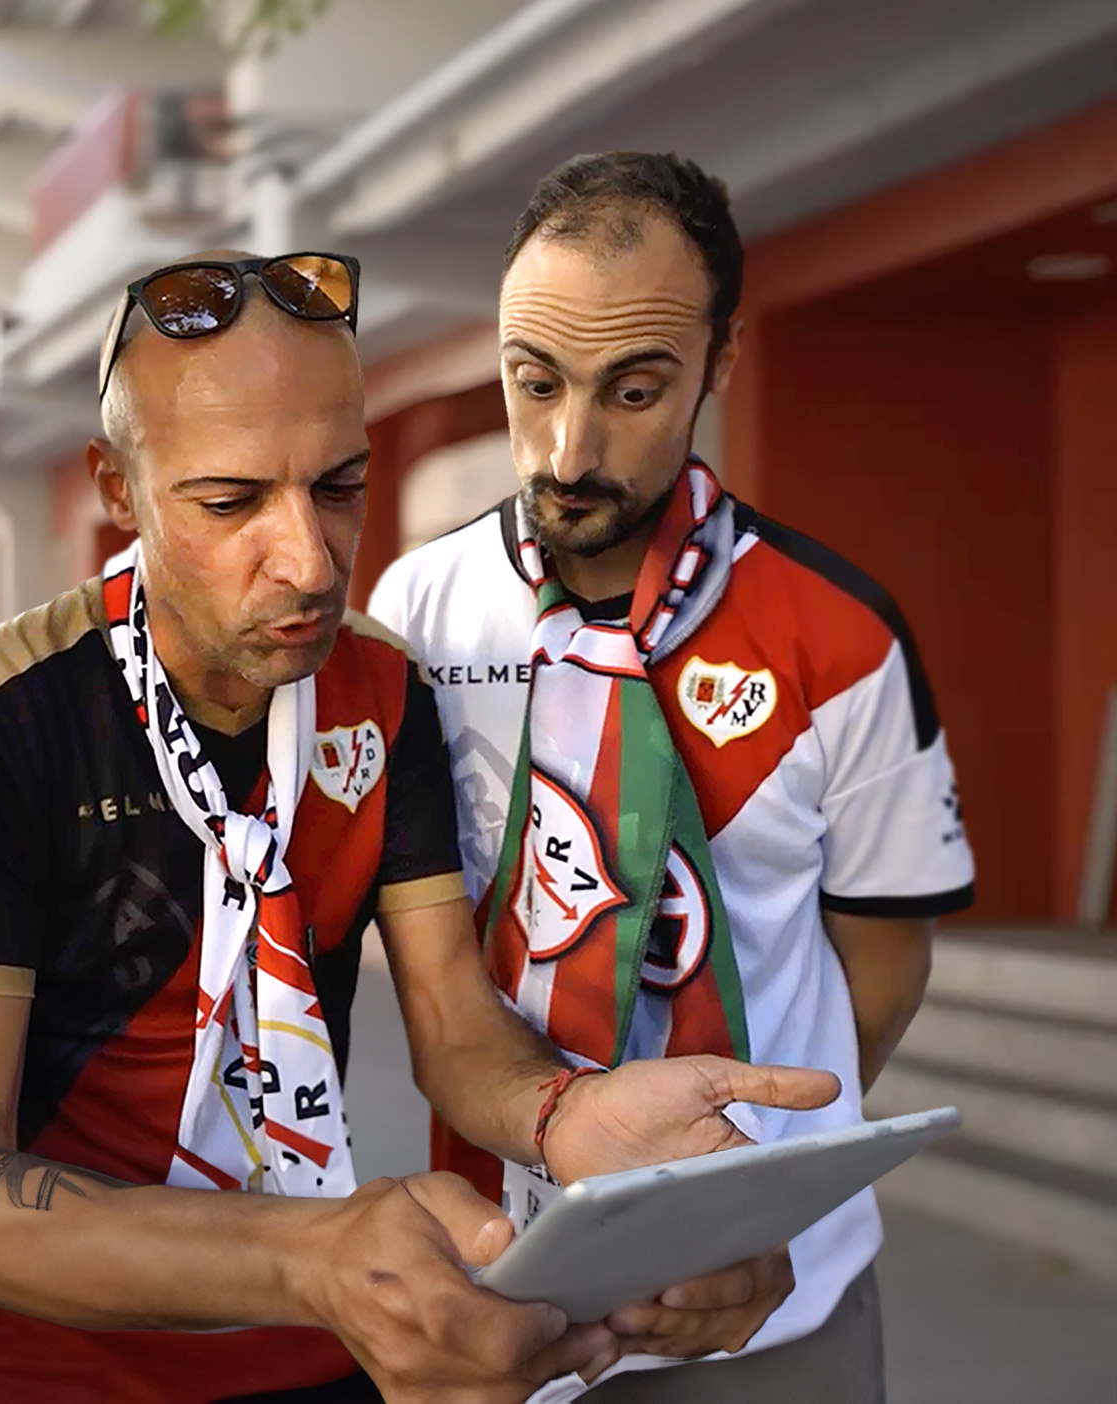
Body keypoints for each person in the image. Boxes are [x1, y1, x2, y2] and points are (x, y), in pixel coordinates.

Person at [0, 250, 840, 1404]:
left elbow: (449, 1026)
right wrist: (316, 1254)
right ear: (114, 489)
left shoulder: (381, 689)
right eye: (230, 503)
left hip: (311, 1331)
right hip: (36, 1362)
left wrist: (568, 1114)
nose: (310, 559)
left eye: (338, 487)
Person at [369, 153, 977, 1403]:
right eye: (531, 383)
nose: (567, 448)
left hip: (768, 1309)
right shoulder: (415, 613)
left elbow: (883, 967)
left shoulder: (839, 637)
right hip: (496, 1287)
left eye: (633, 390)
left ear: (719, 362)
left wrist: (730, 1186)